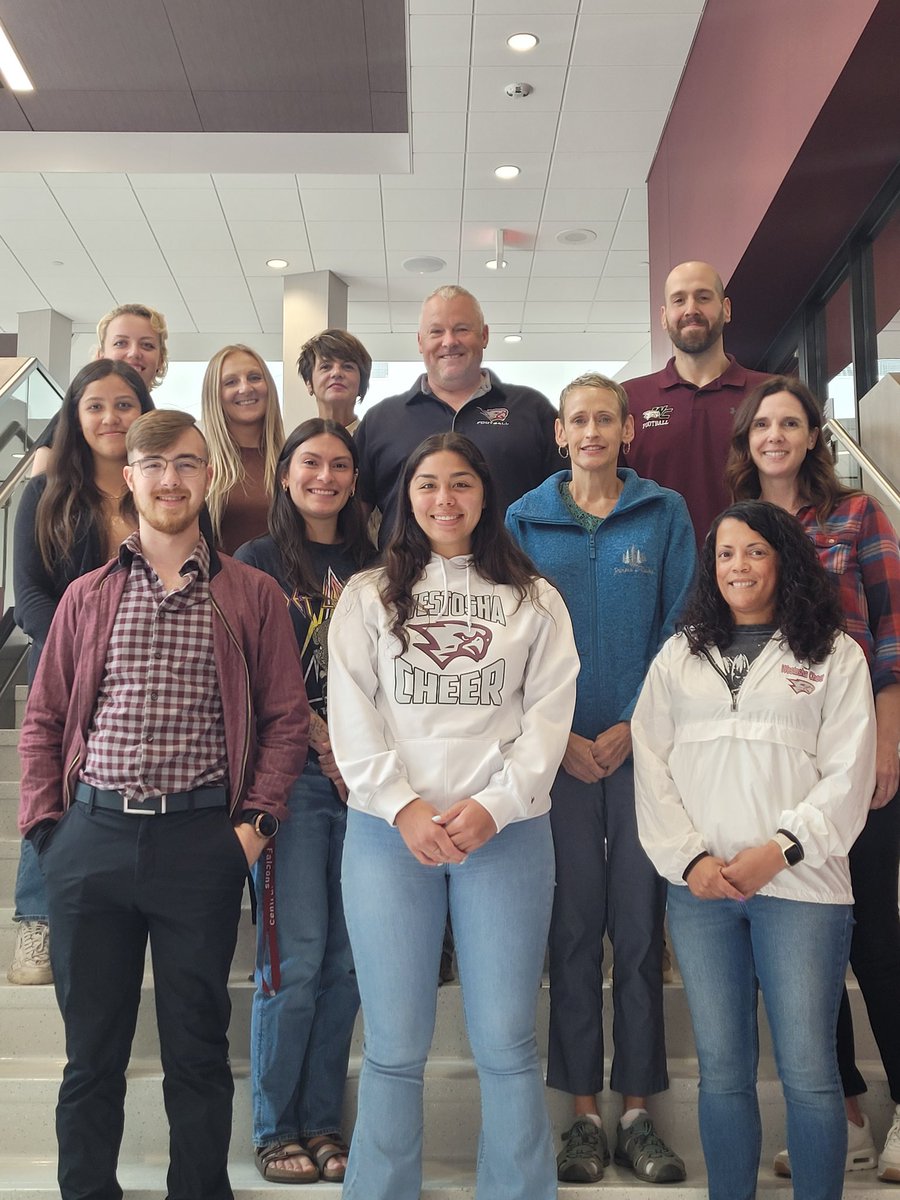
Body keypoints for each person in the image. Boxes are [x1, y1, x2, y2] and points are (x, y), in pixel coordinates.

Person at [18, 408, 309, 1200]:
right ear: (131, 478)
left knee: (197, 1052)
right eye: (154, 465)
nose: (170, 479)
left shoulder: (249, 594)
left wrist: (251, 830)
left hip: (200, 845)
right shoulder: (86, 595)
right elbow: (43, 719)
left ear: (205, 475)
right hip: (93, 841)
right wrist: (49, 830)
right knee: (92, 1058)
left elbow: (287, 720)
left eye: (185, 463)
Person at [327, 432, 579, 1200]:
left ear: (485, 494)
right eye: (428, 484)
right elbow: (352, 714)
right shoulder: (368, 596)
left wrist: (497, 806)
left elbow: (548, 716)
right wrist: (402, 808)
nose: (445, 499)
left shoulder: (534, 598)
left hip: (504, 836)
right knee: (396, 1043)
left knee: (505, 1039)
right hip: (387, 835)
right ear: (407, 496)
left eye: (461, 483)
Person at [632, 500, 876, 1200]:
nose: (739, 566)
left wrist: (783, 849)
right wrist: (690, 861)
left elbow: (849, 773)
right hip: (703, 893)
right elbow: (652, 764)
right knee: (723, 1069)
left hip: (803, 893)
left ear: (785, 560)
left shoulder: (832, 653)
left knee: (807, 1070)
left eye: (755, 552)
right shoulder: (682, 655)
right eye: (726, 554)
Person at [506, 372, 695, 1184]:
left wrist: (633, 724)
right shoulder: (522, 521)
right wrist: (561, 740)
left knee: (637, 927)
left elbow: (684, 622)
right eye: (577, 419)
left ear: (626, 430)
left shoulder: (665, 514)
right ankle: (583, 1114)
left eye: (604, 419)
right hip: (559, 760)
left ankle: (639, 1112)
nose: (591, 431)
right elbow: (508, 640)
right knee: (575, 930)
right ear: (559, 433)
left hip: (644, 751)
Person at [726, 376, 900, 1182]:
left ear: (811, 435)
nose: (775, 435)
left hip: (856, 758)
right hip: (773, 767)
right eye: (762, 423)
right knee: (807, 938)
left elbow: (892, 637)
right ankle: (848, 1112)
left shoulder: (856, 516)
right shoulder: (735, 527)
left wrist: (890, 742)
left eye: (789, 422)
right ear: (747, 437)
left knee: (874, 940)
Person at [235, 418, 375, 1184]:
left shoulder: (379, 564)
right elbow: (260, 680)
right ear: (285, 474)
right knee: (296, 960)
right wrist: (328, 744)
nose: (325, 476)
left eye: (340, 465)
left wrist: (367, 758)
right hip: (293, 784)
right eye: (310, 463)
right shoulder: (255, 563)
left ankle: (323, 1120)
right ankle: (274, 1124)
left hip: (371, 787)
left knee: (350, 964)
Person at [7, 358, 155, 987]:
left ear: (143, 412)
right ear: (75, 415)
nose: (110, 417)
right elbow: (30, 592)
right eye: (95, 405)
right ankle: (36, 921)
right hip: (63, 668)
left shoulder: (160, 486)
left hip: (148, 669)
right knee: (52, 784)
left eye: (124, 404)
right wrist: (78, 648)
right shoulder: (44, 493)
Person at [354, 285, 558, 547]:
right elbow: (353, 517)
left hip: (511, 581)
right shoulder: (380, 421)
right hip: (404, 582)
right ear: (420, 341)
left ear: (484, 335)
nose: (449, 341)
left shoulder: (532, 410)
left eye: (462, 329)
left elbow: (566, 502)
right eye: (436, 331)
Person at [623, 261, 770, 546]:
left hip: (749, 571)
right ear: (664, 317)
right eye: (679, 300)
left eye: (703, 297)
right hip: (656, 575)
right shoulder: (629, 400)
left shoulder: (769, 394)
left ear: (726, 308)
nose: (691, 309)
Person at [30, 302, 169, 475]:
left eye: (147, 345)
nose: (134, 352)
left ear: (161, 360)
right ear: (101, 355)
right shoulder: (71, 418)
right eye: (120, 343)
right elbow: (40, 491)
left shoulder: (164, 427)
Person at [201, 344, 285, 553]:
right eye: (231, 382)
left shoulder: (291, 460)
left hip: (286, 584)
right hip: (220, 584)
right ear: (215, 395)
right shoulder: (199, 462)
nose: (245, 388)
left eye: (255, 377)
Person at [297, 328, 373, 431]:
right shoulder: (300, 445)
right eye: (326, 367)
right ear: (309, 383)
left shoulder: (377, 444)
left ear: (362, 383)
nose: (337, 373)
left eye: (347, 366)